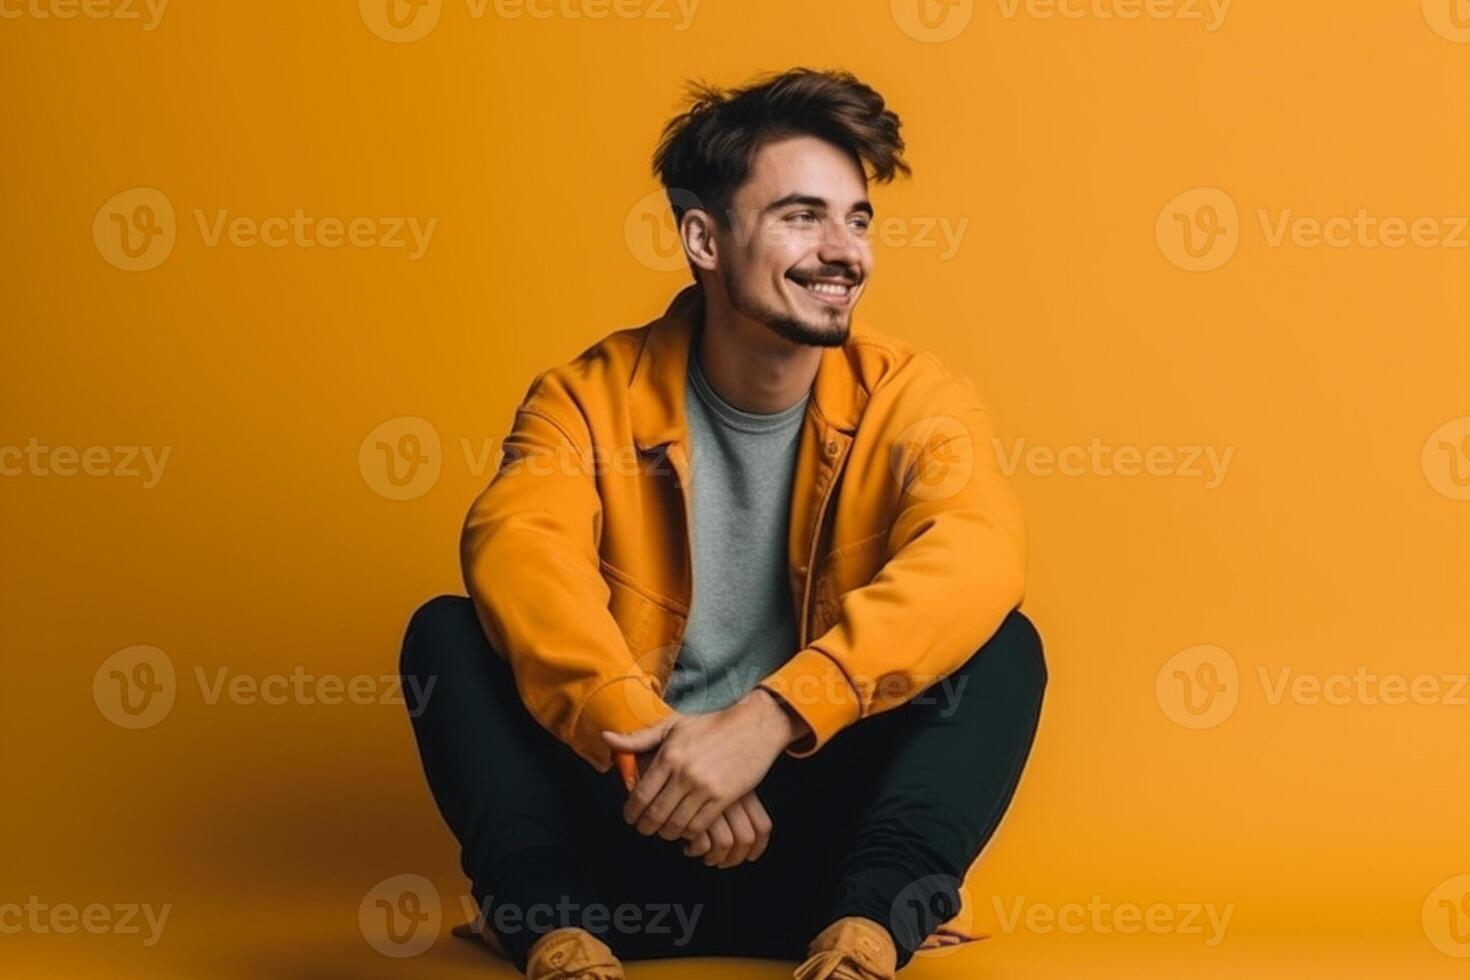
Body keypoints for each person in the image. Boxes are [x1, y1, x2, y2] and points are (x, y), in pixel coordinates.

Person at [401, 67, 1047, 980]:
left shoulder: (915, 396)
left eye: (856, 219)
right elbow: (519, 554)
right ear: (702, 237)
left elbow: (978, 552)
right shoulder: (583, 400)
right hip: (623, 840)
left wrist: (771, 719)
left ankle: (869, 937)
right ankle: (551, 934)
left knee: (1003, 642)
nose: (843, 251)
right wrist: (657, 748)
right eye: (801, 216)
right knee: (449, 634)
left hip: (821, 864)